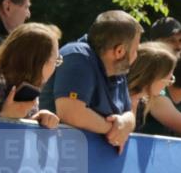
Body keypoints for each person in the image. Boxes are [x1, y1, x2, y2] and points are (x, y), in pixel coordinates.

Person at [41, 10, 142, 153]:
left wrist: (125, 122)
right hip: (55, 158)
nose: (136, 55)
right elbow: (71, 113)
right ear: (119, 51)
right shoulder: (78, 56)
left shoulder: (118, 70)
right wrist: (115, 130)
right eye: (136, 49)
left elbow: (130, 113)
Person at [0, 22, 62, 127]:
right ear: (39, 63)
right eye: (56, 60)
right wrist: (4, 117)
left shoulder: (29, 88)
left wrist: (35, 121)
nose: (56, 66)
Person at [127, 42, 176, 119]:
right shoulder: (120, 102)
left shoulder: (141, 102)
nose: (168, 84)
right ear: (151, 78)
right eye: (169, 78)